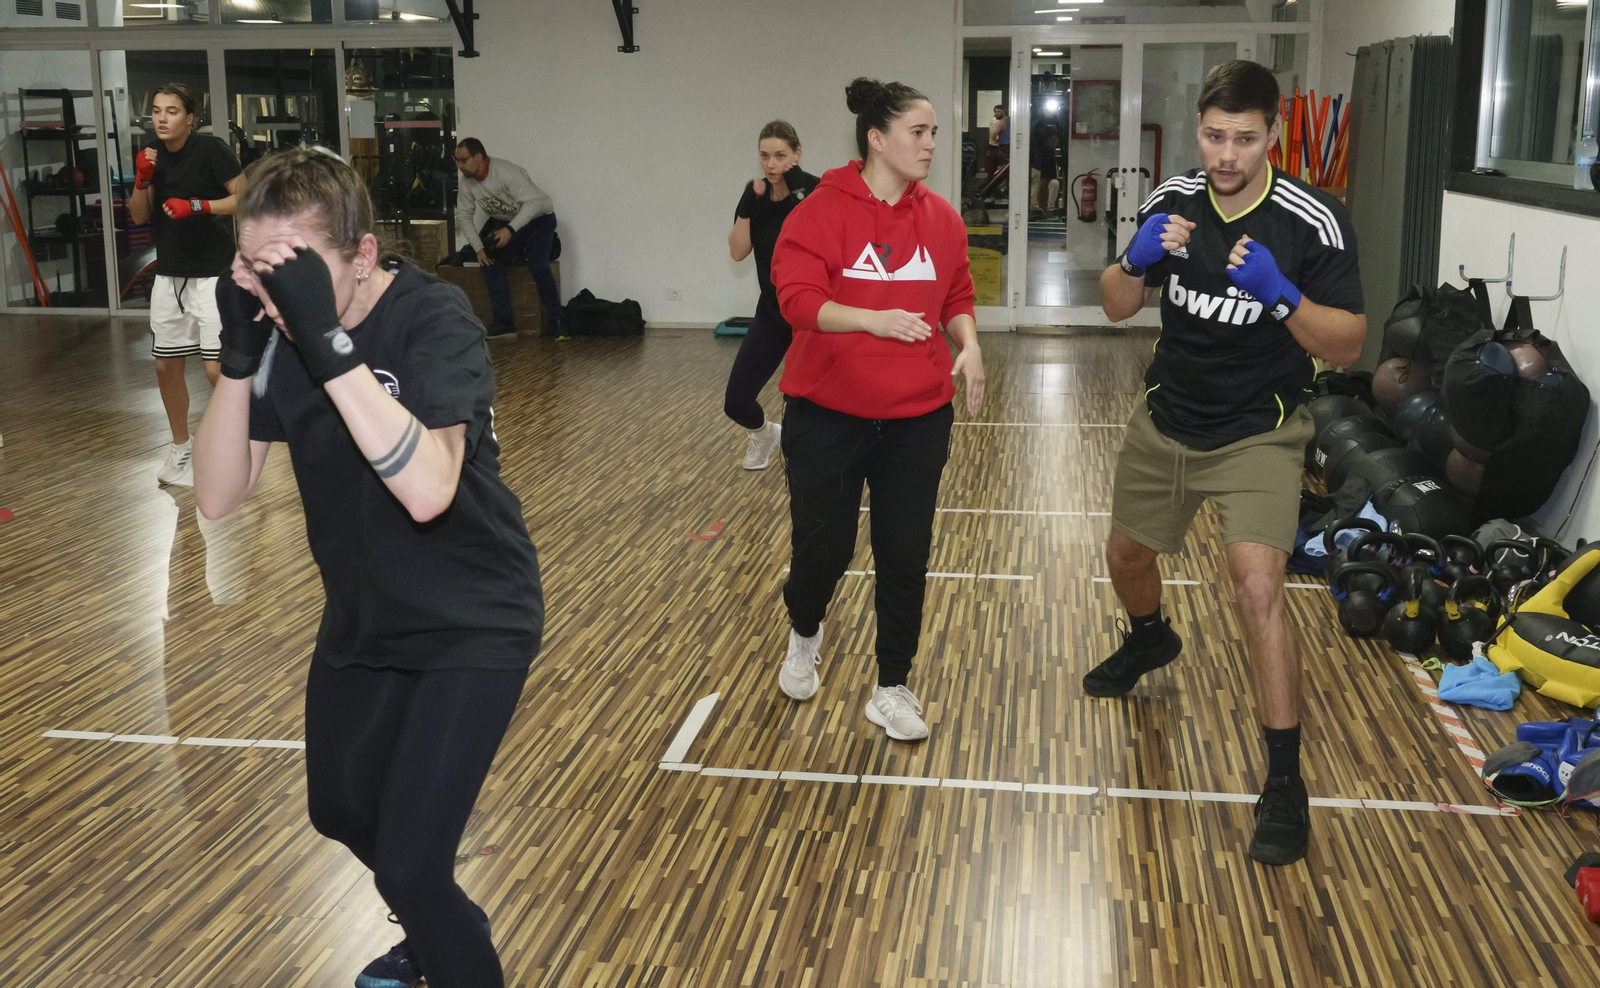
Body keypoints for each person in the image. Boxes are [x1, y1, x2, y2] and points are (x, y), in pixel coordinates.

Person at [191, 147, 542, 988]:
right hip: (362, 617)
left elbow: (427, 489)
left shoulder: (433, 318)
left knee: (413, 868)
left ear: (363, 257)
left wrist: (326, 340)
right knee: (340, 809)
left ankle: (436, 928)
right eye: (258, 271)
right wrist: (241, 363)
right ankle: (441, 926)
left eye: (296, 274)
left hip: (472, 617)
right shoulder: (277, 331)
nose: (276, 297)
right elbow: (217, 496)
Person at [1092, 60, 1366, 866]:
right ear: (1199, 129)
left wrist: (1282, 295)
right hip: (1168, 415)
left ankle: (1284, 780)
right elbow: (1114, 307)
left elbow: (1349, 343)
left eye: (1245, 139)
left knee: (1257, 589)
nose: (1226, 154)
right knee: (1126, 555)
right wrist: (1135, 263)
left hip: (1260, 430)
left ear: (1273, 134)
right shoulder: (1172, 202)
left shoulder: (1311, 220)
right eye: (1214, 136)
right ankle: (1149, 638)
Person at [769, 77, 985, 743]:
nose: (930, 144)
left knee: (904, 552)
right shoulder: (820, 212)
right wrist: (874, 320)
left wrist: (970, 346)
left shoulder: (942, 218)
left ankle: (891, 684)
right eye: (918, 132)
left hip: (917, 417)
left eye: (933, 133)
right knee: (822, 551)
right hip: (828, 414)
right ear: (877, 137)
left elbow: (956, 293)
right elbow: (797, 301)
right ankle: (806, 630)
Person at [127, 82, 245, 487]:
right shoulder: (149, 153)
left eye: (171, 111)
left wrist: (198, 205)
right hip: (170, 275)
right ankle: (181, 449)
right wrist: (142, 179)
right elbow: (139, 217)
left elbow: (245, 198)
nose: (161, 118)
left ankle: (232, 447)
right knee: (164, 366)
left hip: (213, 274)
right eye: (157, 110)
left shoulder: (211, 150)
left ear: (190, 117)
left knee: (216, 371)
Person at [724, 120, 819, 470]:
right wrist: (747, 208)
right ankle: (764, 434)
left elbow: (822, 240)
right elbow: (737, 252)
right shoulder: (757, 195)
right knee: (735, 401)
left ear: (797, 154)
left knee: (808, 404)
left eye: (780, 156)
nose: (771, 164)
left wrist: (799, 196)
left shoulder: (815, 190)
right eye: (765, 156)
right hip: (772, 313)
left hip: (813, 318)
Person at [452, 137, 561, 338]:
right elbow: (464, 215)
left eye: (463, 160)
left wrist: (511, 230)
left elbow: (534, 203)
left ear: (479, 157)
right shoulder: (467, 182)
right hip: (506, 221)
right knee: (489, 262)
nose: (460, 166)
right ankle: (504, 324)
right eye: (457, 161)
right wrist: (478, 248)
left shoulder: (506, 173)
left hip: (538, 217)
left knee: (538, 265)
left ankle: (557, 322)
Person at [986, 103, 1009, 183]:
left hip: (1002, 146)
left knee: (1001, 167)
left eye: (998, 111)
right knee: (992, 167)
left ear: (1003, 111)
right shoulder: (995, 121)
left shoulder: (1004, 121)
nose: (996, 113)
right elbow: (993, 135)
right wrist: (995, 140)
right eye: (995, 111)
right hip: (993, 146)